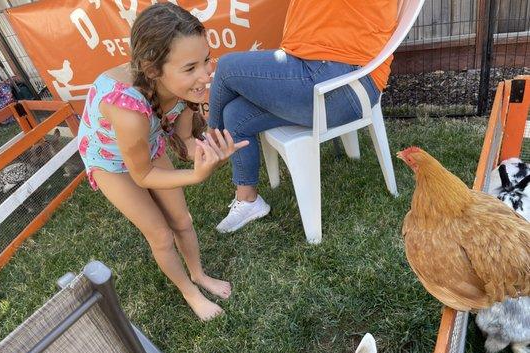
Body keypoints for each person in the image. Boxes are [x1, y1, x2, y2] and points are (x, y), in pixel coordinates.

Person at [77, 3, 247, 321]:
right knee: (160, 234)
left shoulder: (183, 91)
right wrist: (196, 176)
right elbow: (143, 176)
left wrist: (203, 151)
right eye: (190, 68)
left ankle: (198, 274)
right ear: (153, 70)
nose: (205, 75)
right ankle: (190, 292)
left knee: (182, 220)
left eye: (206, 61)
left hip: (148, 145)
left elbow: (182, 141)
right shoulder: (127, 110)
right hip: (109, 161)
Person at [207, 0, 398, 233]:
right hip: (320, 70)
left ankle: (210, 149)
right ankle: (248, 200)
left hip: (339, 80)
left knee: (226, 69)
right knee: (235, 114)